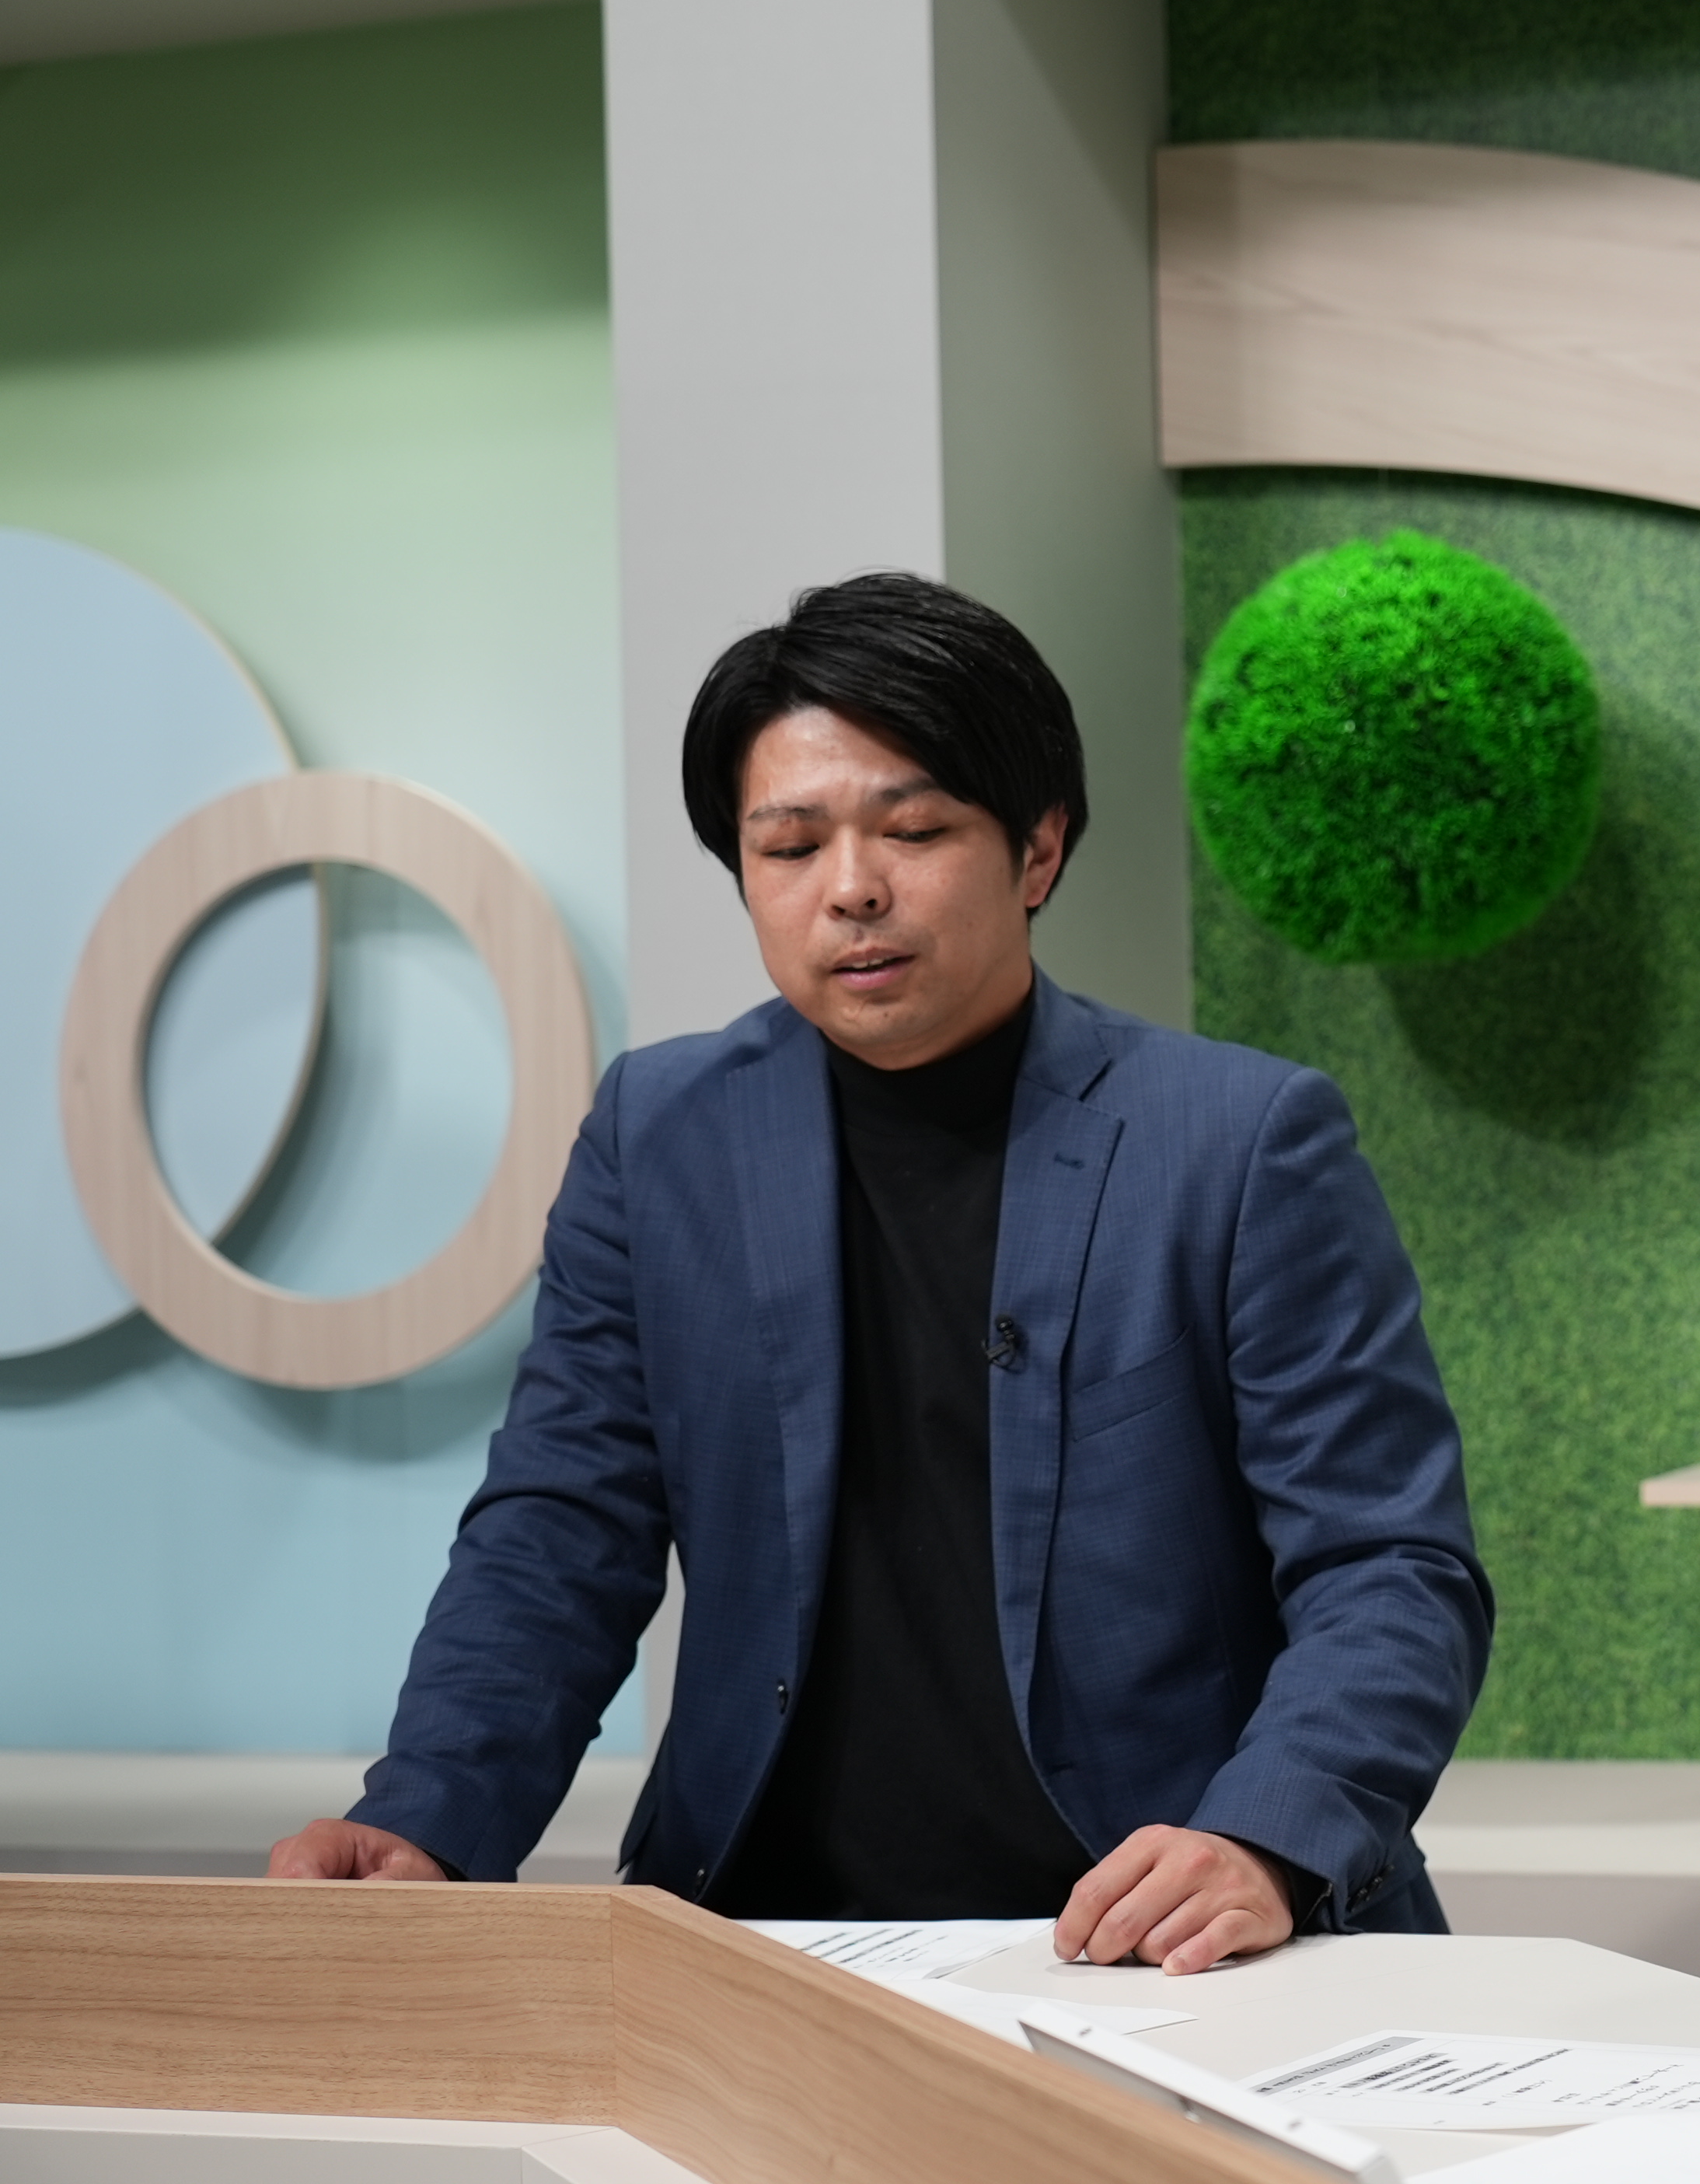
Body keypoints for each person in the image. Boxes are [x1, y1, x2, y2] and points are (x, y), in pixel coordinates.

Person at [270, 574, 1493, 1974]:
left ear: (1038, 850)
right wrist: (425, 1817)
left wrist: (1265, 1837)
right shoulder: (657, 1136)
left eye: (913, 830)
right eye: (789, 846)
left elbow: (1390, 1564)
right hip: (771, 1941)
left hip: (1162, 1943)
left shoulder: (1239, 1139)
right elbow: (562, 1529)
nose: (851, 886)